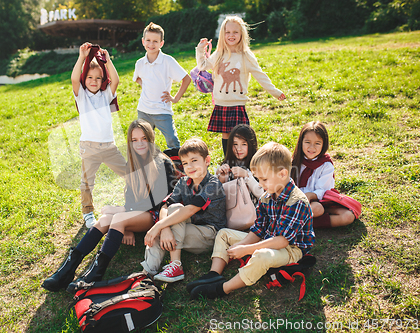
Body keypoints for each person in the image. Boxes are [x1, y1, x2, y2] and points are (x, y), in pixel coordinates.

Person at [42, 120, 177, 292]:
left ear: (151, 139)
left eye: (144, 138)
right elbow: (130, 200)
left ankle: (95, 274)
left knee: (117, 216)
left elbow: (163, 201)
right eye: (134, 140)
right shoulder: (133, 163)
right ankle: (68, 268)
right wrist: (125, 225)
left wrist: (124, 217)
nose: (139, 143)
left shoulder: (161, 163)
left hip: (156, 215)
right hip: (137, 213)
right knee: (105, 219)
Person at [187, 142, 314, 299]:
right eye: (258, 179)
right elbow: (258, 229)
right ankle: (214, 274)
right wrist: (242, 245)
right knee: (224, 233)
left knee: (261, 255)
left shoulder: (296, 201)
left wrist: (247, 249)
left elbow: (281, 242)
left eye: (264, 179)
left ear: (282, 174)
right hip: (268, 238)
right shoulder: (267, 196)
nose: (260, 184)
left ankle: (223, 288)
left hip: (291, 249)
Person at [196, 16, 286, 155]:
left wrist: (275, 92)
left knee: (241, 136)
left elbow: (260, 75)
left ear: (241, 34)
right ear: (223, 34)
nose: (231, 35)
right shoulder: (219, 54)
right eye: (228, 32)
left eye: (235, 32)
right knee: (226, 135)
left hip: (238, 103)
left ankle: (246, 161)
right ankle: (228, 161)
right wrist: (200, 49)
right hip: (222, 103)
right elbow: (202, 66)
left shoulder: (246, 56)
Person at [141, 138, 226, 282]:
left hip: (209, 234)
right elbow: (165, 206)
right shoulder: (183, 181)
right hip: (187, 228)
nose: (190, 166)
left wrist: (159, 226)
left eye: (194, 161)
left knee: (176, 211)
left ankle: (176, 265)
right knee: (169, 216)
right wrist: (164, 228)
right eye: (185, 163)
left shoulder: (213, 184)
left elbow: (190, 210)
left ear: (207, 161)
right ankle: (147, 273)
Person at [72, 42, 126, 228]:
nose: (93, 81)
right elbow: (74, 79)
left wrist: (108, 61)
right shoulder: (82, 96)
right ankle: (87, 212)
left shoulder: (106, 95)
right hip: (90, 147)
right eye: (89, 77)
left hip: (109, 146)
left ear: (103, 79)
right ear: (84, 78)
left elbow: (116, 80)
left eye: (98, 78)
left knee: (129, 174)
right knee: (87, 183)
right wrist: (81, 57)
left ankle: (134, 203)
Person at [133, 22, 191, 150]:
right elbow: (137, 78)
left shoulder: (168, 61)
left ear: (161, 43)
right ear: (143, 41)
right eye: (148, 40)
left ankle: (177, 165)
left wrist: (175, 98)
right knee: (144, 141)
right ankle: (147, 165)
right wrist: (147, 86)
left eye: (155, 41)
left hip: (162, 111)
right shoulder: (140, 63)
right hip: (144, 110)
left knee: (172, 140)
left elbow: (186, 79)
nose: (151, 44)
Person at [291, 121, 356, 228]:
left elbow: (324, 191)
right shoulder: (293, 162)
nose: (312, 148)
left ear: (323, 144)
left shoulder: (326, 165)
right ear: (301, 142)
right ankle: (298, 221)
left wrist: (311, 195)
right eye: (307, 142)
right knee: (316, 209)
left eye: (317, 143)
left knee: (348, 216)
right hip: (298, 203)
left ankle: (298, 223)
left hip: (321, 201)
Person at [215, 124, 264, 202]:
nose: (239, 149)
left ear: (251, 145)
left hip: (251, 212)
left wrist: (247, 176)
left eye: (244, 144)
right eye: (235, 144)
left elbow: (261, 194)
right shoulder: (228, 164)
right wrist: (221, 178)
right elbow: (216, 195)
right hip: (230, 211)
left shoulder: (259, 165)